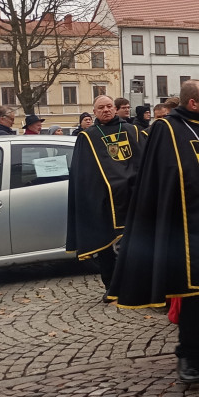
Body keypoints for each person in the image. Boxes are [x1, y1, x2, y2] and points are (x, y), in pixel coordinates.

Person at [109, 80, 199, 383]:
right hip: (181, 226)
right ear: (192, 103)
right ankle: (188, 357)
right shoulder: (166, 129)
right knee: (189, 294)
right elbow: (161, 177)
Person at [66, 95, 146, 291]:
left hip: (132, 199)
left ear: (115, 108)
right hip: (105, 202)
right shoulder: (87, 137)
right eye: (101, 107)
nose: (106, 110)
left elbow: (144, 163)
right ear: (94, 112)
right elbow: (83, 174)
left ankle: (139, 285)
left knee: (137, 245)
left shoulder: (132, 131)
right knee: (106, 248)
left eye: (109, 106)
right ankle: (112, 287)